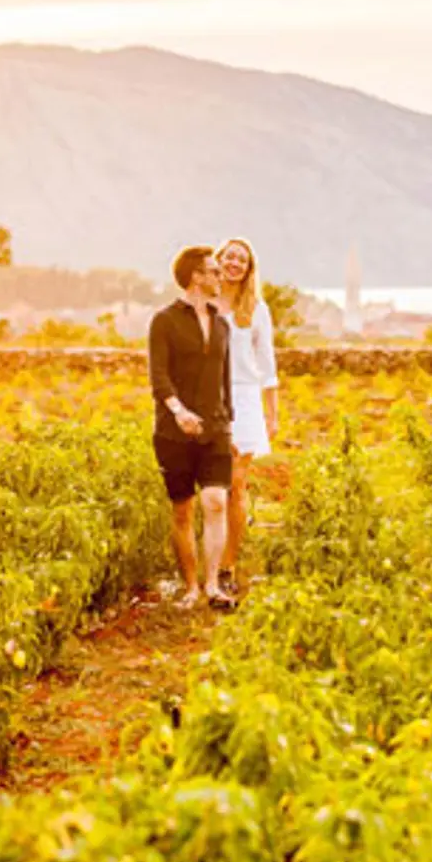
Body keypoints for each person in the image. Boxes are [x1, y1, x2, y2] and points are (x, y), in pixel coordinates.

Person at [148, 245, 236, 610]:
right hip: (173, 431)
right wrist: (179, 411)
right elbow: (159, 376)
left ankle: (213, 585)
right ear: (196, 277)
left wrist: (228, 419)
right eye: (214, 271)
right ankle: (190, 588)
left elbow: (224, 378)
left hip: (215, 428)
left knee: (215, 501)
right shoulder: (164, 321)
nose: (221, 276)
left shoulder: (222, 323)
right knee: (182, 511)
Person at [213, 236, 279, 594]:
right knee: (210, 489)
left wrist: (272, 413)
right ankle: (209, 561)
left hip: (245, 398)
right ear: (219, 260)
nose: (235, 263)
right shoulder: (204, 304)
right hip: (208, 399)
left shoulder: (256, 309)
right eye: (230, 257)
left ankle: (228, 565)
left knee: (236, 486)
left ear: (249, 269)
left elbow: (267, 364)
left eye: (243, 260)